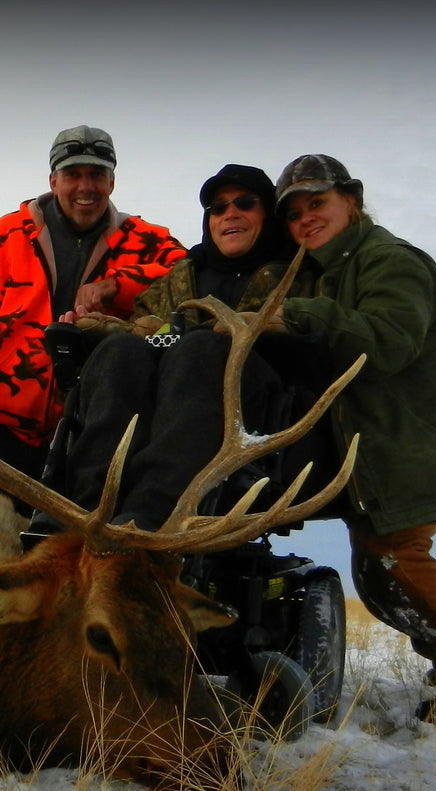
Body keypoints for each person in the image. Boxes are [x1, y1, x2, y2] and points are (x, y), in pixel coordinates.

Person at [272, 153, 436, 731]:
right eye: (294, 214)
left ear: (350, 201)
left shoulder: (390, 261)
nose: (306, 219)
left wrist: (296, 313)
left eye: (318, 204)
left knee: (394, 561)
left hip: (420, 445)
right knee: (380, 568)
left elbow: (387, 341)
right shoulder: (330, 269)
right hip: (389, 450)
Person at [39, 163, 318, 533]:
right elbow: (148, 327)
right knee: (120, 351)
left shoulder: (300, 276)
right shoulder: (181, 278)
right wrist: (98, 328)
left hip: (252, 411)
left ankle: (149, 514)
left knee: (199, 349)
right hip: (169, 398)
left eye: (245, 203)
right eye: (217, 208)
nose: (229, 214)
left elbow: (312, 333)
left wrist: (250, 329)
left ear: (267, 213)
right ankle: (85, 506)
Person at [0, 125, 186, 497]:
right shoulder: (8, 236)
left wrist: (116, 286)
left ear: (111, 182)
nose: (85, 187)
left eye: (96, 175)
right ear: (53, 180)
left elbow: (189, 271)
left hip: (84, 439)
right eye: (73, 175)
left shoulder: (144, 239)